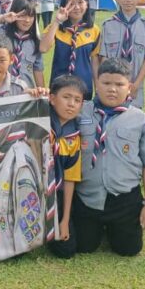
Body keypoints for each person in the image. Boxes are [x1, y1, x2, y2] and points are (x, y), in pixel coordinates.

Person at [74, 59, 145, 257]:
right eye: (106, 83)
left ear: (129, 87)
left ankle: (115, 228)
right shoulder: (80, 112)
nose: (112, 89)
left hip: (124, 199)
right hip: (87, 197)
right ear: (96, 84)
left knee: (128, 249)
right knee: (83, 246)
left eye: (119, 84)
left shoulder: (140, 119)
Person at [47, 74, 87, 259]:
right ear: (52, 98)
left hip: (58, 193)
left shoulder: (74, 137)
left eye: (77, 100)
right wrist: (33, 92)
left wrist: (64, 220)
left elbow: (70, 180)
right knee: (18, 252)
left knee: (66, 250)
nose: (71, 104)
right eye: (66, 97)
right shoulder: (39, 120)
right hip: (31, 191)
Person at [99, 0, 145, 108]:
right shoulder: (107, 25)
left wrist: (136, 84)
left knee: (133, 117)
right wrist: (108, 82)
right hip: (112, 87)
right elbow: (104, 58)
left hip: (135, 87)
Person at [40, 0, 101, 99]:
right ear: (64, 6)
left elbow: (94, 61)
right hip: (59, 86)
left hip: (84, 87)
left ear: (87, 4)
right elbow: (43, 48)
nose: (76, 7)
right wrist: (57, 21)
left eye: (80, 2)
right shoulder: (56, 27)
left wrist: (98, 88)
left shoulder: (94, 30)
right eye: (71, 4)